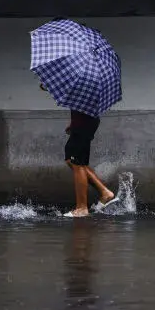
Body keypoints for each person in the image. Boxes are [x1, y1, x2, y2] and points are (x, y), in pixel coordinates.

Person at [41, 82, 117, 217]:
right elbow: (77, 101)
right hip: (82, 121)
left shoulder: (83, 78)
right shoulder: (81, 78)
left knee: (78, 163)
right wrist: (73, 123)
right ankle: (105, 192)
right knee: (71, 159)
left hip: (85, 122)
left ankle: (82, 208)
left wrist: (50, 84)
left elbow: (80, 99)